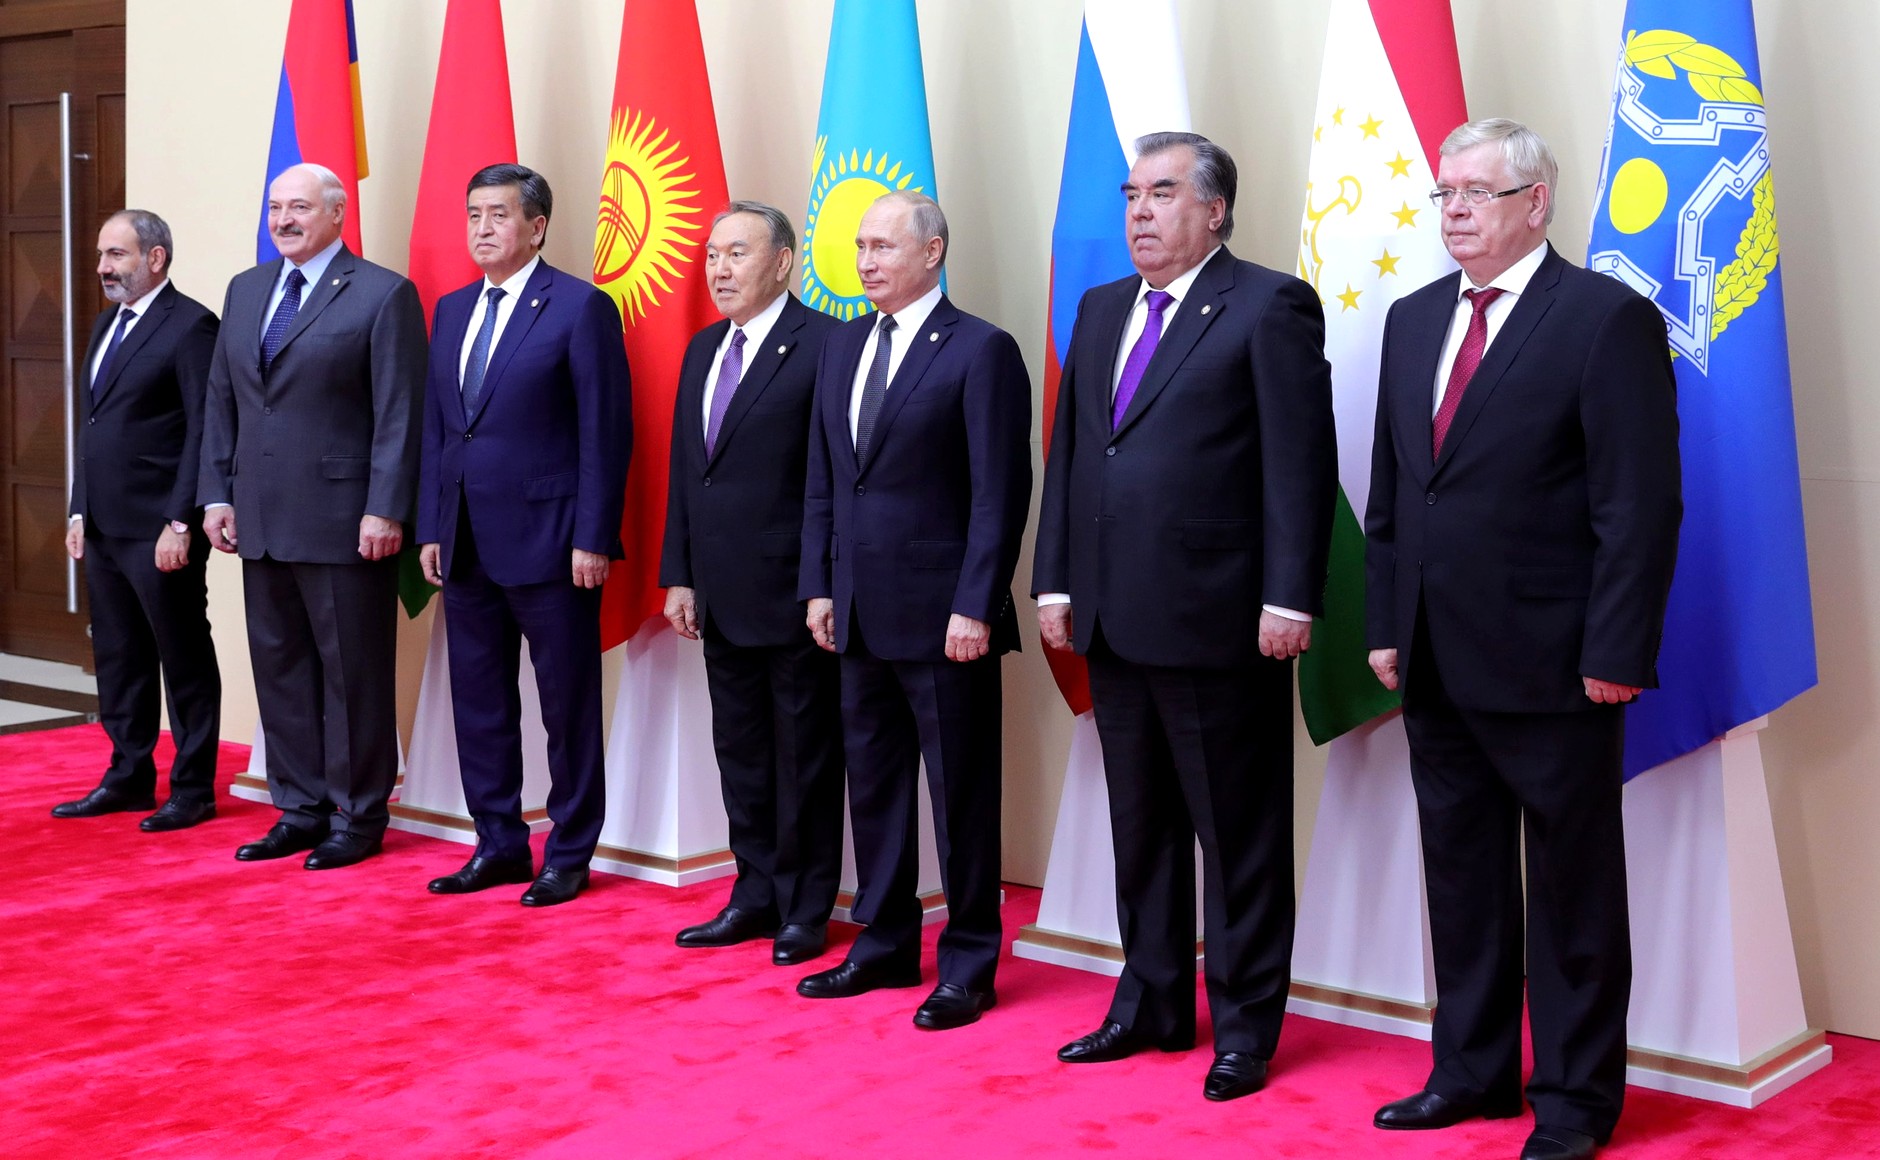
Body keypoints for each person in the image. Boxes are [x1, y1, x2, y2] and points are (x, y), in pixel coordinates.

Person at [1364, 119, 1681, 1160]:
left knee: (1571, 895)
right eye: (1444, 193)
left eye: (1476, 192)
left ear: (1535, 203)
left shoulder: (1603, 318)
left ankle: (1576, 1103)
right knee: (1460, 879)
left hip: (1556, 666)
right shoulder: (1414, 319)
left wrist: (1615, 651)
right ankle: (1471, 1073)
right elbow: (1393, 493)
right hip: (1433, 657)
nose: (1453, 209)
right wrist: (1384, 621)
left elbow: (1637, 506)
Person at [1032, 131, 1337, 1102]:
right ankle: (1152, 1002)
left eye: (1161, 193)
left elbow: (1300, 464)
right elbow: (1074, 455)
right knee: (1143, 828)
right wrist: (1052, 581)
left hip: (1222, 622)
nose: (1139, 212)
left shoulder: (1268, 305)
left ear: (1213, 209)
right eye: (1131, 194)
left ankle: (1243, 1028)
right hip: (1111, 617)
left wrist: (1289, 595)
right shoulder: (1100, 307)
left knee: (1237, 837)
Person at [796, 191, 1031, 1030]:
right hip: (857, 611)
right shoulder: (843, 343)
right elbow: (825, 479)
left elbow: (1000, 493)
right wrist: (819, 585)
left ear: (932, 253)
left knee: (960, 796)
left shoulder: (981, 350)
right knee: (875, 786)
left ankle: (968, 961)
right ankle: (887, 942)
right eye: (861, 246)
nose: (866, 261)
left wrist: (976, 604)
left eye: (883, 246)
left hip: (945, 622)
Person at [198, 162, 426, 870]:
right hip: (259, 518)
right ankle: (299, 808)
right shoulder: (246, 290)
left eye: (298, 207)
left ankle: (358, 818)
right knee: (281, 671)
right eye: (275, 207)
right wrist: (216, 493)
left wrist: (385, 508)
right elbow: (222, 400)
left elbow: (399, 413)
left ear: (336, 214)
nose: (283, 220)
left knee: (353, 678)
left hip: (345, 522)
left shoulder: (383, 294)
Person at [417, 164, 632, 908]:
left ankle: (569, 853)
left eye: (499, 214)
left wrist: (593, 536)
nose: (482, 228)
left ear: (536, 227)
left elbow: (606, 432)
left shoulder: (580, 307)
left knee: (566, 708)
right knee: (479, 703)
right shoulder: (451, 309)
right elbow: (440, 429)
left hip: (553, 542)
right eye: (473, 213)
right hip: (465, 540)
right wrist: (432, 524)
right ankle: (499, 843)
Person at [662, 201, 844, 962]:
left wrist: (820, 582)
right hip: (718, 591)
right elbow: (688, 472)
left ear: (783, 262)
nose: (719, 269)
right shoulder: (704, 347)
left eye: (737, 253)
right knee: (739, 752)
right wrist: (679, 574)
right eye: (712, 255)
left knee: (803, 757)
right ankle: (754, 892)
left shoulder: (827, 343)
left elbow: (831, 477)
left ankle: (805, 907)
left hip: (794, 593)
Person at [55, 209, 222, 831]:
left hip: (160, 529)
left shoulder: (193, 326)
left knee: (182, 657)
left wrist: (181, 521)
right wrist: (79, 507)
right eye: (102, 254)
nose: (103, 267)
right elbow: (94, 425)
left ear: (155, 258)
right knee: (119, 656)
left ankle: (193, 790)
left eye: (117, 255)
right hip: (103, 525)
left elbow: (203, 431)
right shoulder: (107, 324)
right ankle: (128, 777)